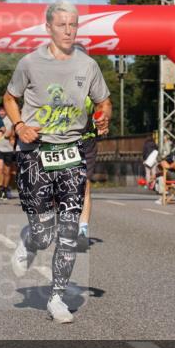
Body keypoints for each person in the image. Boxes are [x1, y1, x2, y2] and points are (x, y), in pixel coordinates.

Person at [4, 1, 111, 324]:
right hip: (36, 152)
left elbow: (104, 102)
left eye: (73, 25)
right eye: (62, 25)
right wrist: (20, 125)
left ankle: (57, 297)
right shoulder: (29, 63)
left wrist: (104, 117)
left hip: (71, 153)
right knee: (43, 234)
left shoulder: (88, 65)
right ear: (48, 27)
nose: (68, 31)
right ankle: (30, 238)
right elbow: (10, 98)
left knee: (68, 231)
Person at [77, 97, 99, 251]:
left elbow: (104, 106)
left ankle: (82, 231)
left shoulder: (92, 85)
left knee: (85, 185)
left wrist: (103, 120)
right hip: (62, 142)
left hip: (87, 142)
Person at [0, 104, 16, 200]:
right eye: (0, 111)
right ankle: (0, 189)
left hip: (8, 149)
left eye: (3, 111)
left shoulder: (10, 120)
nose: (2, 112)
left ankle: (5, 189)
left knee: (7, 171)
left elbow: (9, 133)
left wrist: (4, 133)